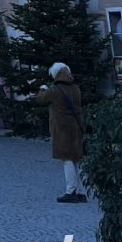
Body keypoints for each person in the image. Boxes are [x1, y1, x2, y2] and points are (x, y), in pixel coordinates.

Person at [32, 61, 87, 202]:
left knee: (67, 159)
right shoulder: (76, 88)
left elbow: (40, 100)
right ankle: (82, 191)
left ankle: (71, 191)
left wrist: (43, 89)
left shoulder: (54, 90)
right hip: (76, 127)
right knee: (77, 159)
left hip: (62, 128)